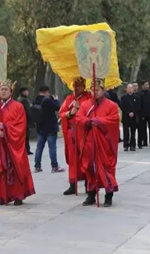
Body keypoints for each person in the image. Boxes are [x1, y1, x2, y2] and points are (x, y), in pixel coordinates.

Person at [0, 79, 35, 206]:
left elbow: (21, 125)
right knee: (0, 170)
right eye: (1, 89)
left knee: (16, 168)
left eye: (5, 89)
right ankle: (2, 196)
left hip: (14, 144)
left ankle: (18, 195)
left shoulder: (18, 107)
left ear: (11, 92)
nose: (3, 91)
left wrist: (6, 128)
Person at [76, 78, 119, 207]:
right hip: (89, 142)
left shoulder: (112, 105)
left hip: (104, 143)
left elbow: (114, 120)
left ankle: (108, 195)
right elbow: (79, 118)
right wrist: (88, 122)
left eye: (98, 90)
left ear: (103, 90)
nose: (95, 92)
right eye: (93, 90)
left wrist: (98, 121)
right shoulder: (85, 105)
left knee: (106, 168)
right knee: (90, 169)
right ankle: (91, 194)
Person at [59, 77, 92, 195]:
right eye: (74, 85)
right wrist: (70, 113)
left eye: (79, 85)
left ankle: (89, 183)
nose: (76, 88)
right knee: (73, 160)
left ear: (84, 86)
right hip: (72, 133)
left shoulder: (89, 98)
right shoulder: (69, 99)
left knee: (86, 157)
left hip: (84, 133)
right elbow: (61, 113)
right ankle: (73, 184)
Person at [33, 85, 65, 173]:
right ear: (47, 92)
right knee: (52, 148)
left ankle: (37, 165)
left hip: (40, 127)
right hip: (50, 127)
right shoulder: (47, 100)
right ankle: (54, 166)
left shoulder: (35, 100)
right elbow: (58, 107)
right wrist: (55, 99)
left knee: (39, 147)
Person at [120, 83, 140, 151]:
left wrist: (133, 112)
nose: (130, 89)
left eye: (131, 88)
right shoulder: (123, 98)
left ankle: (132, 145)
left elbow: (138, 106)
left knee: (133, 132)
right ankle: (126, 145)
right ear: (126, 89)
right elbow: (122, 107)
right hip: (126, 116)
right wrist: (128, 112)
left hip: (134, 117)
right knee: (126, 131)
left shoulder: (137, 97)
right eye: (128, 88)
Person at [17, 87, 34, 155]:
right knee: (26, 136)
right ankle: (26, 149)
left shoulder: (19, 99)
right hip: (25, 120)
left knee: (24, 136)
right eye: (26, 91)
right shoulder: (24, 100)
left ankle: (25, 149)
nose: (27, 92)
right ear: (23, 92)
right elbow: (28, 110)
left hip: (21, 120)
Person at [137, 80, 150, 148]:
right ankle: (144, 141)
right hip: (142, 114)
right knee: (142, 129)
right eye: (146, 84)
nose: (147, 86)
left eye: (148, 84)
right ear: (142, 85)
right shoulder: (139, 94)